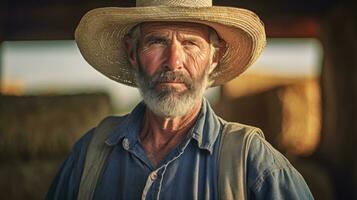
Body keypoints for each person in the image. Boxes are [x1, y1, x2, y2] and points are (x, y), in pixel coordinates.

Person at [47, 0, 313, 199]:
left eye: (190, 44)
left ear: (214, 58)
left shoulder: (254, 164)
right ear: (133, 52)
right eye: (158, 41)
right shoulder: (90, 154)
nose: (173, 62)